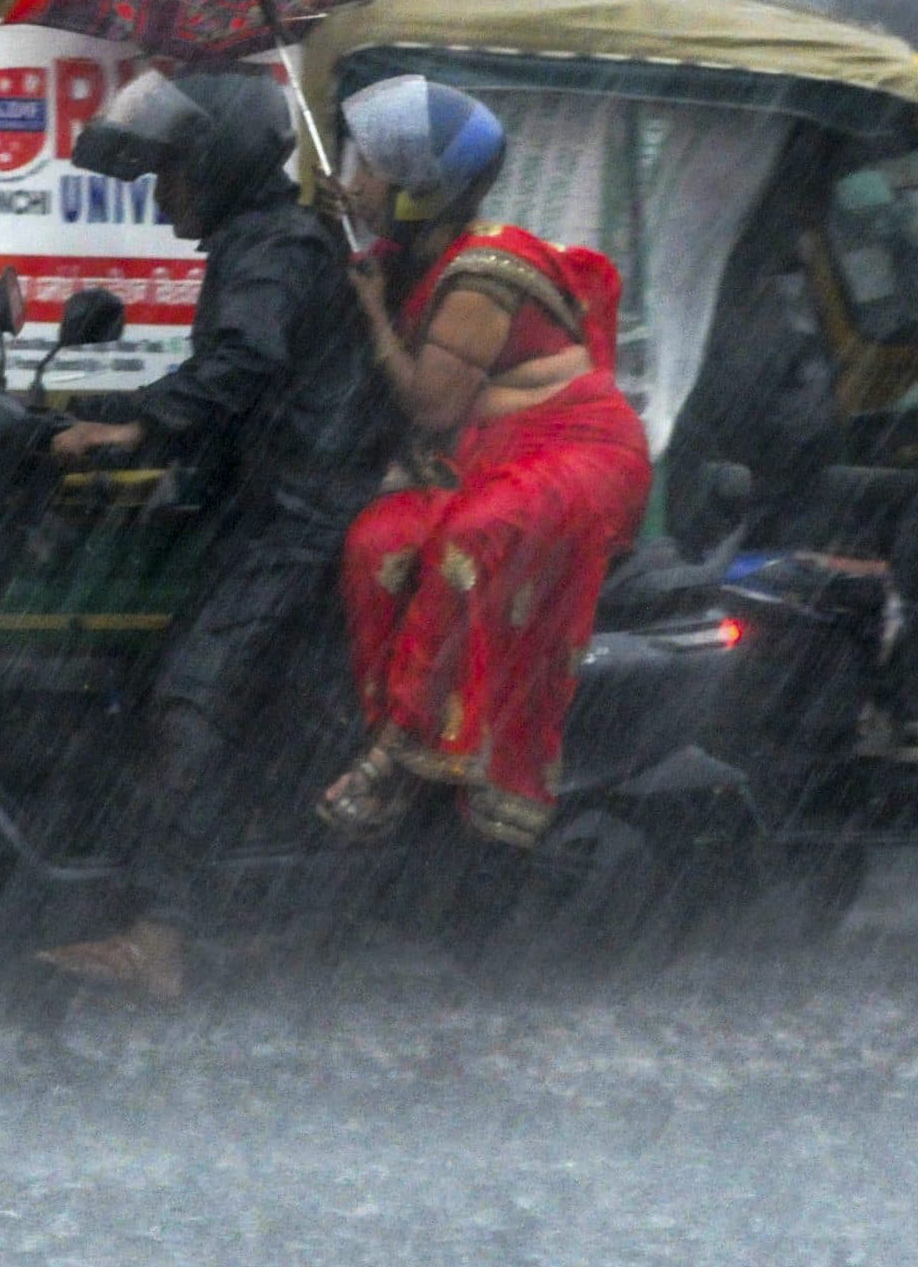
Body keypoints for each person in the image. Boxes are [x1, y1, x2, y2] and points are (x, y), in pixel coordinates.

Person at [35, 69, 391, 1001]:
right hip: (275, 501)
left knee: (189, 707)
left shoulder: (270, 244)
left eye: (171, 172)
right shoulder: (261, 238)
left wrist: (139, 425)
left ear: (220, 165)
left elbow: (246, 359)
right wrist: (90, 406)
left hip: (298, 516)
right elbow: (234, 371)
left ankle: (162, 936)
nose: (158, 194)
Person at [316, 75, 653, 849]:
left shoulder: (478, 274)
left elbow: (432, 408)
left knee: (476, 537)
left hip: (575, 452)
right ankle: (422, 743)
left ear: (420, 191)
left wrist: (372, 309)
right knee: (379, 545)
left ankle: (396, 758)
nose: (355, 180)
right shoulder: (416, 250)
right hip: (488, 456)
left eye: (371, 170)